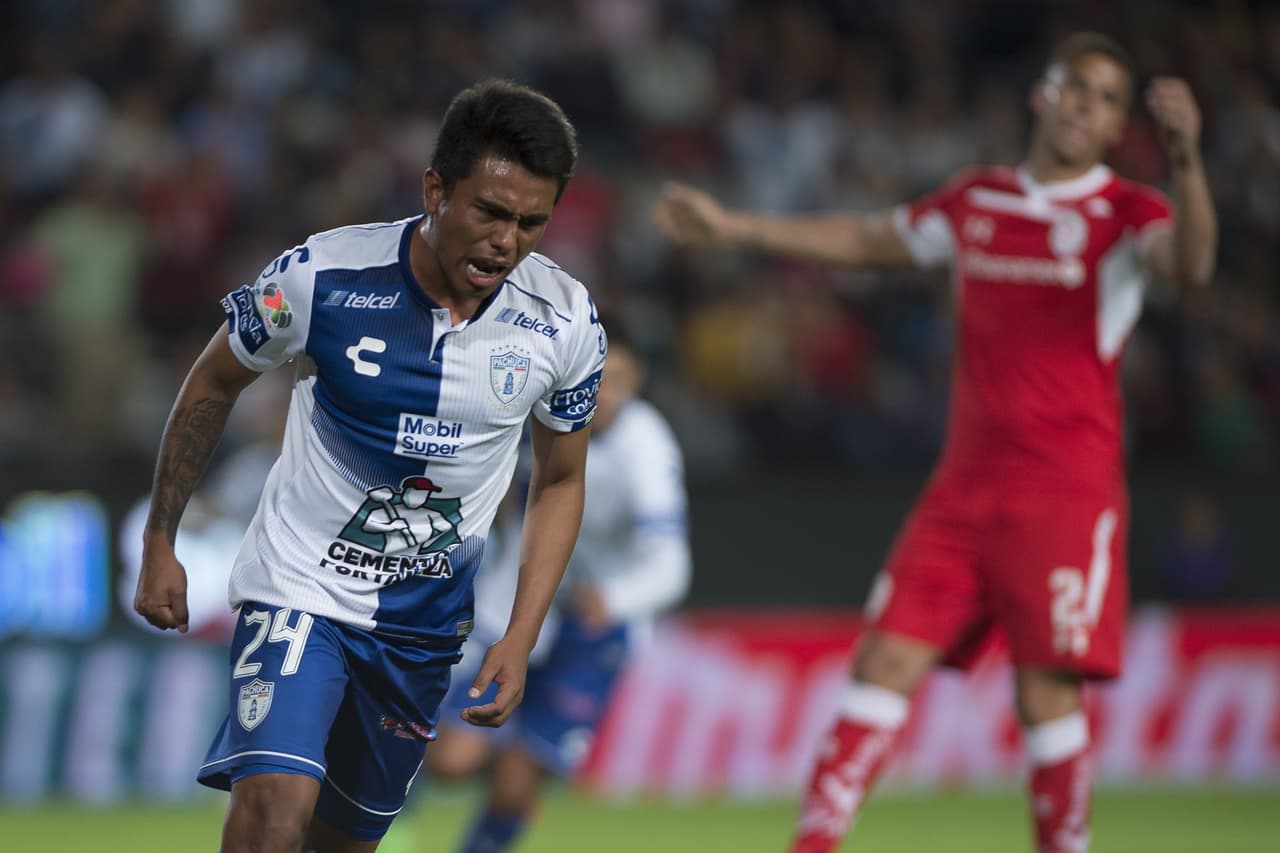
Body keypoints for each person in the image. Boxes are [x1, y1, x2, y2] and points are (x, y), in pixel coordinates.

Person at [655, 32, 1216, 853]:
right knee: (882, 661)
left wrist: (1188, 161)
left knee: (1044, 695)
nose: (1084, 105)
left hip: (1064, 492)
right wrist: (734, 226)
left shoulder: (1126, 212)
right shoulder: (976, 202)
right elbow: (868, 242)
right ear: (1043, 95)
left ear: (1112, 127)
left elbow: (1193, 265)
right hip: (961, 489)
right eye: (1075, 86)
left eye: (1104, 98)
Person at [132, 79, 607, 853]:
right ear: (435, 189)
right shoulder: (320, 277)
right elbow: (213, 381)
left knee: (339, 843)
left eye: (531, 223)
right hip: (300, 587)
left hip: (421, 631)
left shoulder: (565, 322)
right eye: (489, 212)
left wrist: (520, 634)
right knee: (274, 804)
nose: (506, 242)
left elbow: (559, 478)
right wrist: (162, 538)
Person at [422, 318, 691, 853]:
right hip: (514, 606)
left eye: (621, 379)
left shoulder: (647, 448)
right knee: (452, 761)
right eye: (600, 376)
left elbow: (671, 564)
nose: (606, 392)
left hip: (592, 629)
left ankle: (511, 794)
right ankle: (395, 817)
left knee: (514, 786)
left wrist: (614, 598)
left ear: (637, 382)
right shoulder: (529, 411)